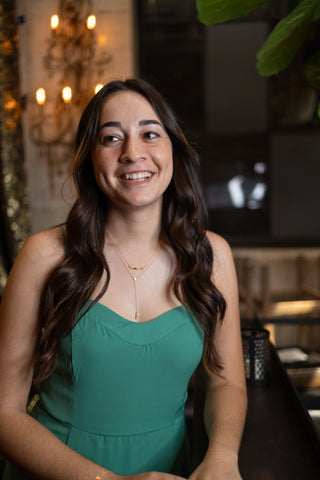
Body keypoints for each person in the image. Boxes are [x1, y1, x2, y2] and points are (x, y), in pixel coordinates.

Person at [0, 78, 247, 480]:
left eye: (150, 134)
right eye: (111, 138)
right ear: (90, 158)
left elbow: (225, 383)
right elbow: (4, 413)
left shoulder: (211, 256)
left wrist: (222, 455)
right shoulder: (43, 256)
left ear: (173, 150)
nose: (133, 154)